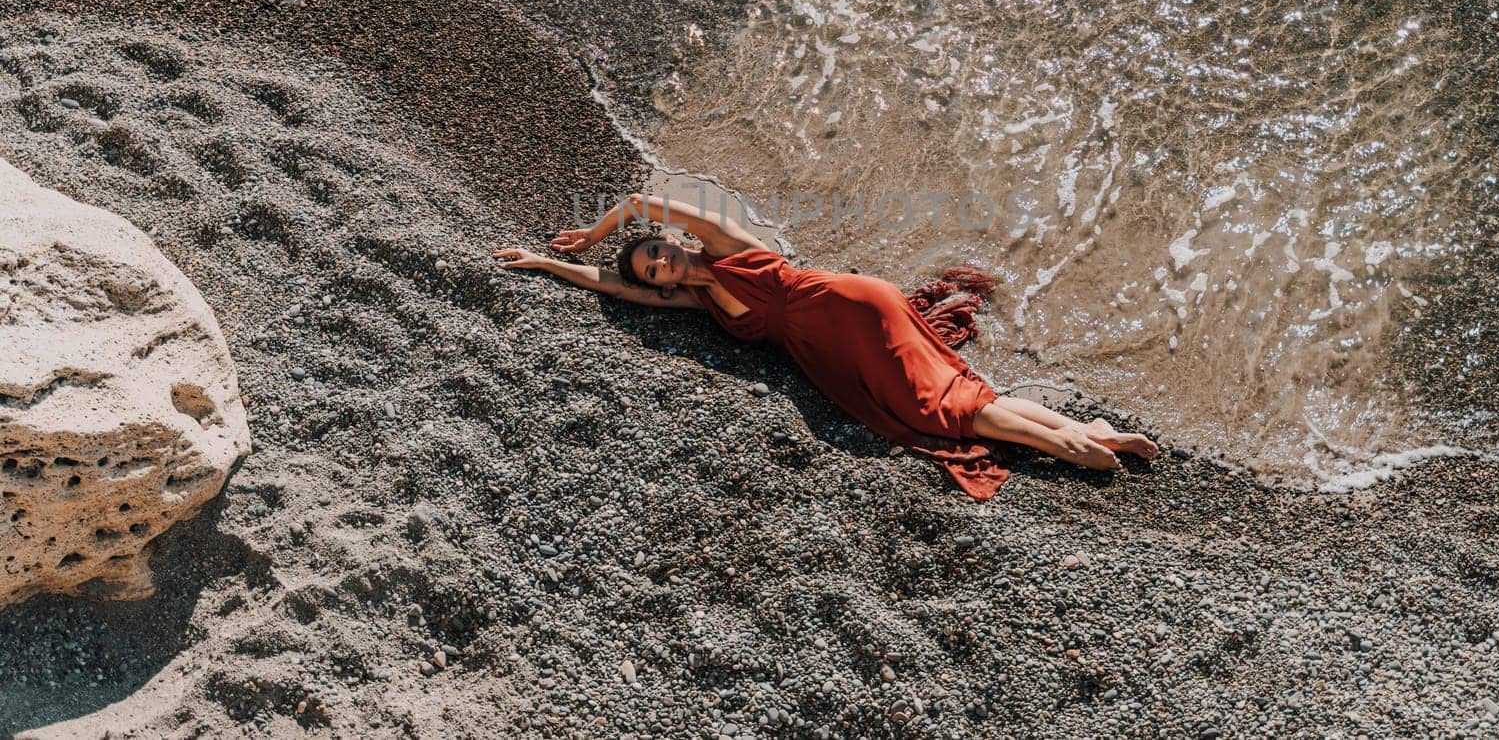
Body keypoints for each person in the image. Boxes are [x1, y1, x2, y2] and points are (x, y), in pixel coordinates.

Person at [492, 193, 1157, 500]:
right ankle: (1084, 428)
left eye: (660, 252)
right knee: (954, 395)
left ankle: (1075, 448)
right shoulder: (698, 298)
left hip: (854, 307)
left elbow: (643, 201)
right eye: (655, 270)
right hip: (835, 348)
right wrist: (545, 264)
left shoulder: (728, 246)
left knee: (938, 406)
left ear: (673, 244)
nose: (663, 264)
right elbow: (611, 285)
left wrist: (594, 227)